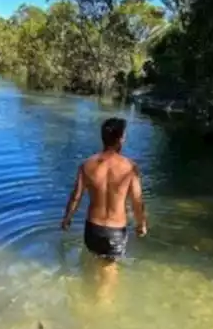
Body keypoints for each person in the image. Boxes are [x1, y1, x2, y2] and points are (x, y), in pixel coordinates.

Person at [59, 118, 148, 296]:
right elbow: (137, 200)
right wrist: (141, 224)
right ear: (121, 138)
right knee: (109, 273)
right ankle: (102, 312)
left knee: (93, 264)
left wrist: (67, 218)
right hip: (115, 230)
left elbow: (76, 196)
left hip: (92, 229)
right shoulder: (130, 167)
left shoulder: (87, 165)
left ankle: (86, 298)